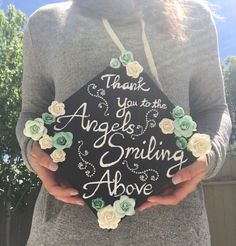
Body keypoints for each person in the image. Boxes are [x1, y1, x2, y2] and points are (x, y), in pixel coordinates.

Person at [16, 0, 232, 245]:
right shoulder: (45, 23)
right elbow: (31, 113)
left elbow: (214, 108)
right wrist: (32, 150)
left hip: (176, 232)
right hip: (63, 233)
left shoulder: (194, 16)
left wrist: (208, 156)